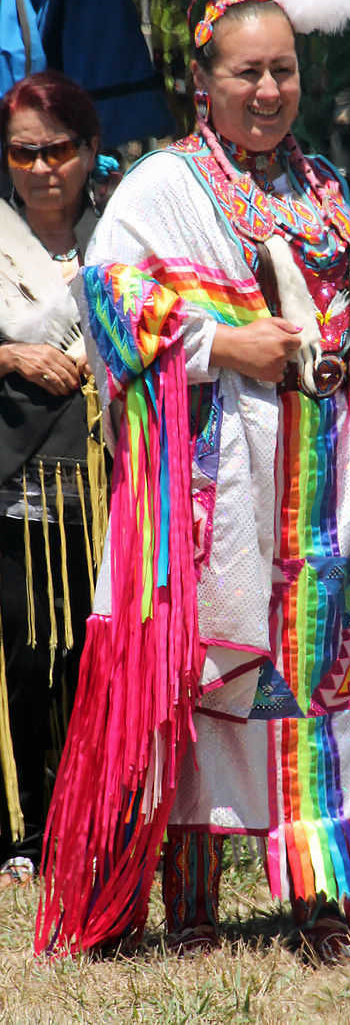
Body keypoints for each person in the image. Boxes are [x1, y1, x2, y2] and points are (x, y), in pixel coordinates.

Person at [36, 0, 350, 960]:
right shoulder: (161, 186)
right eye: (245, 73)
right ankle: (191, 915)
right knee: (209, 691)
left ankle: (317, 902)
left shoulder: (318, 183)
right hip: (214, 492)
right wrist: (225, 344)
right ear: (201, 81)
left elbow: (333, 314)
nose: (267, 90)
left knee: (316, 688)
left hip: (320, 486)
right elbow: (110, 303)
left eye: (283, 71)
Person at [0, 70, 104, 890]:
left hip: (112, 486)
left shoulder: (121, 236)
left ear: (88, 149)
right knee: (27, 662)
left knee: (96, 656)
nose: (41, 169)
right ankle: (24, 832)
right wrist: (8, 352)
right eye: (23, 153)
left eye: (57, 149)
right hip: (16, 483)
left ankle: (99, 816)